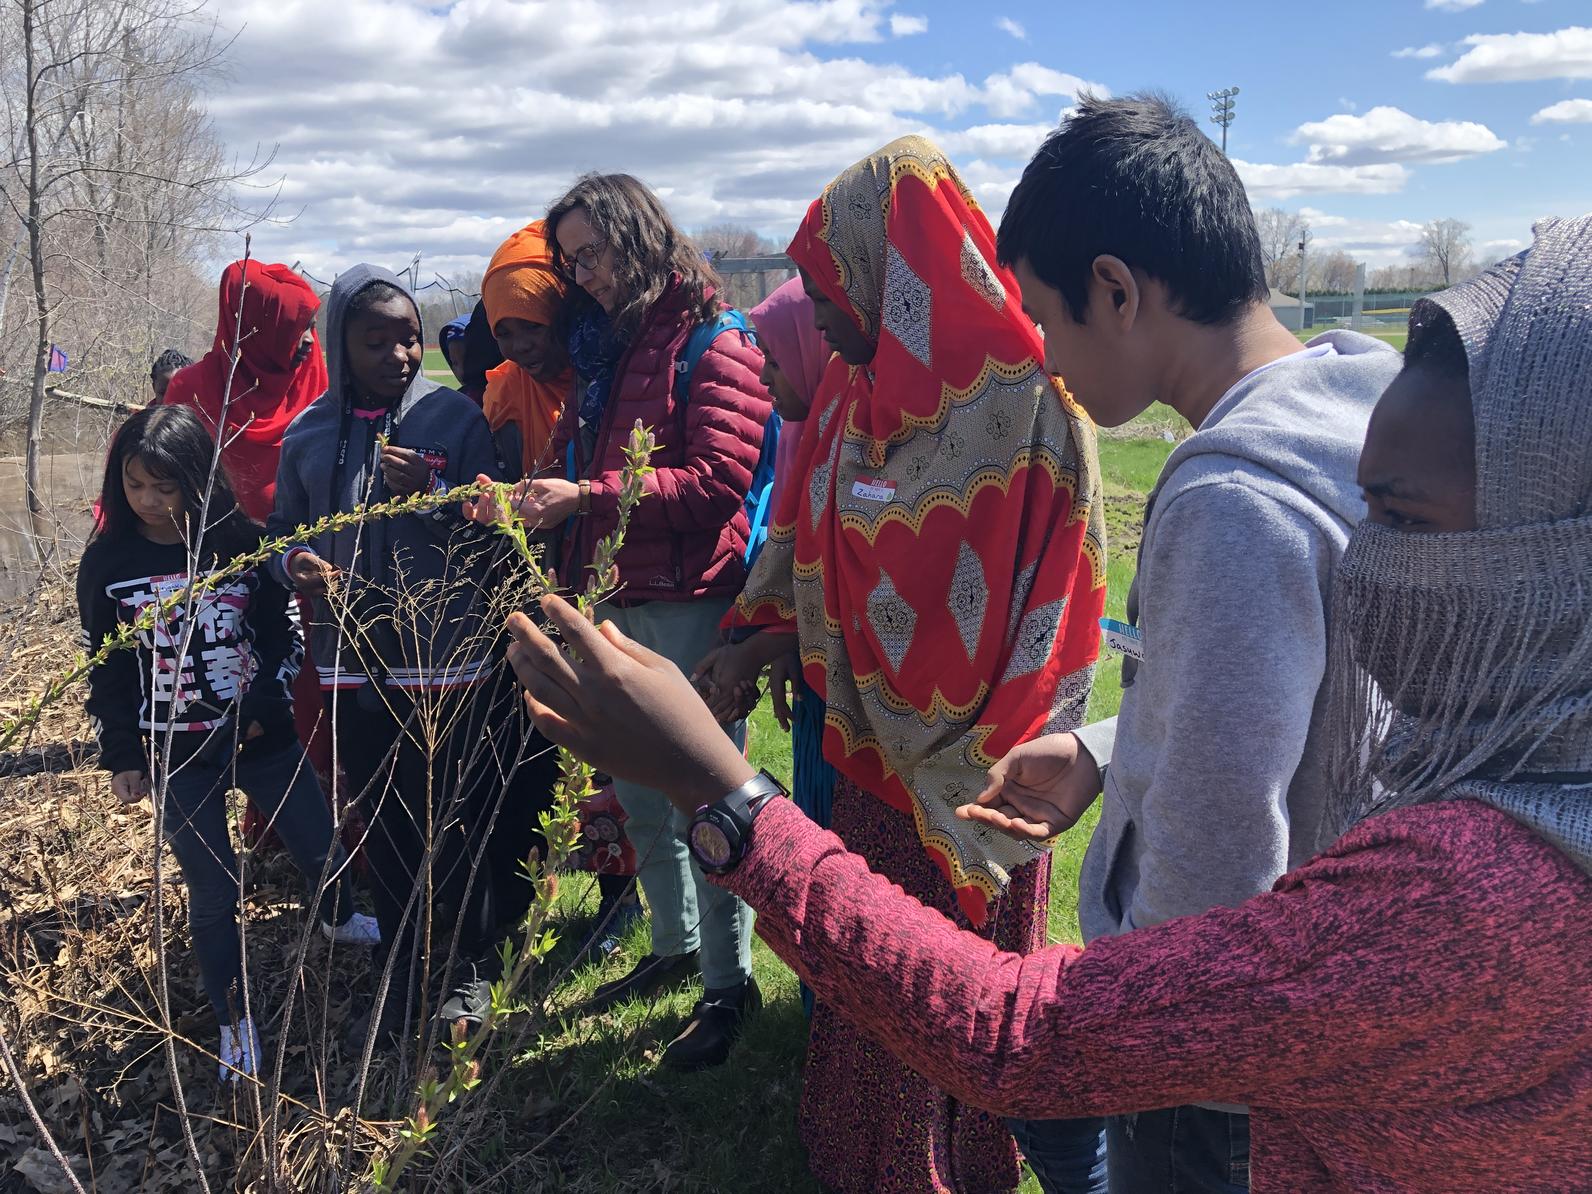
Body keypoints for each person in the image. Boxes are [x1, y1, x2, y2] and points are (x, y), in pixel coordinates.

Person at [502, 212, 1592, 1194]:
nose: (1358, 574)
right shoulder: (1513, 762)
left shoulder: (1472, 898)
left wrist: (721, 789)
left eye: (1399, 521)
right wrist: (1115, 748)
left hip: (1170, 1038)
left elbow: (1024, 1035)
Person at [941, 94, 1406, 1192]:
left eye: (1049, 320)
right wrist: (1110, 745)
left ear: (1116, 289)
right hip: (1335, 1012)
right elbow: (1296, 705)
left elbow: (1215, 853)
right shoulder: (1361, 413)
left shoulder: (1231, 499)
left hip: (1213, 1059)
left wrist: (1130, 1036)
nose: (1048, 358)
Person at [718, 136, 1107, 1193]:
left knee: (960, 999)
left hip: (983, 774)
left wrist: (986, 765)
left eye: (822, 281)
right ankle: (858, 1160)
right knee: (867, 972)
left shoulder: (1032, 402)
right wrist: (755, 639)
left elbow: (1060, 595)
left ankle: (957, 1166)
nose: (818, 309)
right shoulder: (854, 395)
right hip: (864, 755)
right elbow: (802, 537)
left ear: (888, 271)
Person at [482, 172, 770, 1071]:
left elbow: (719, 484)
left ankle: (731, 985)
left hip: (687, 603)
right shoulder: (609, 351)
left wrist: (587, 497)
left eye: (595, 254)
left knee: (705, 794)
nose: (586, 275)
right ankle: (674, 948)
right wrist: (551, 502)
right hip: (614, 593)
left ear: (639, 236)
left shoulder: (715, 341)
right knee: (643, 795)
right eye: (573, 262)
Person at [77, 406, 379, 1083]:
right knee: (212, 893)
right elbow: (105, 667)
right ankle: (232, 1021)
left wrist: (260, 706)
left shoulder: (238, 545)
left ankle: (338, 918)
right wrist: (124, 756)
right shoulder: (108, 564)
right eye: (133, 486)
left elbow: (284, 635)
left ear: (195, 478)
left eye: (164, 486)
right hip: (178, 756)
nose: (149, 502)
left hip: (262, 738)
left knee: (318, 842)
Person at [266, 265, 505, 1040]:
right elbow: (281, 537)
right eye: (378, 341)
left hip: (447, 656)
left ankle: (469, 964)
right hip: (353, 659)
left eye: (409, 338)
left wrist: (439, 497)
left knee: (454, 813)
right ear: (341, 345)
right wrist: (293, 565)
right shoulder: (306, 436)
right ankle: (404, 957)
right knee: (383, 816)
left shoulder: (454, 420)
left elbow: (501, 527)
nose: (400, 354)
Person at [162, 261, 337, 847]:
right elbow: (165, 489)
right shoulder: (192, 391)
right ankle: (265, 832)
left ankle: (331, 839)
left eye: (311, 326)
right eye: (293, 329)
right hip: (228, 579)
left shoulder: (317, 377)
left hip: (311, 569)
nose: (308, 341)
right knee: (241, 706)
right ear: (251, 332)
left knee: (315, 700)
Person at [480, 220, 573, 478]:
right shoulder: (504, 397)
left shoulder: (618, 379)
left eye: (534, 325)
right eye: (504, 333)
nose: (521, 346)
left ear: (566, 311)